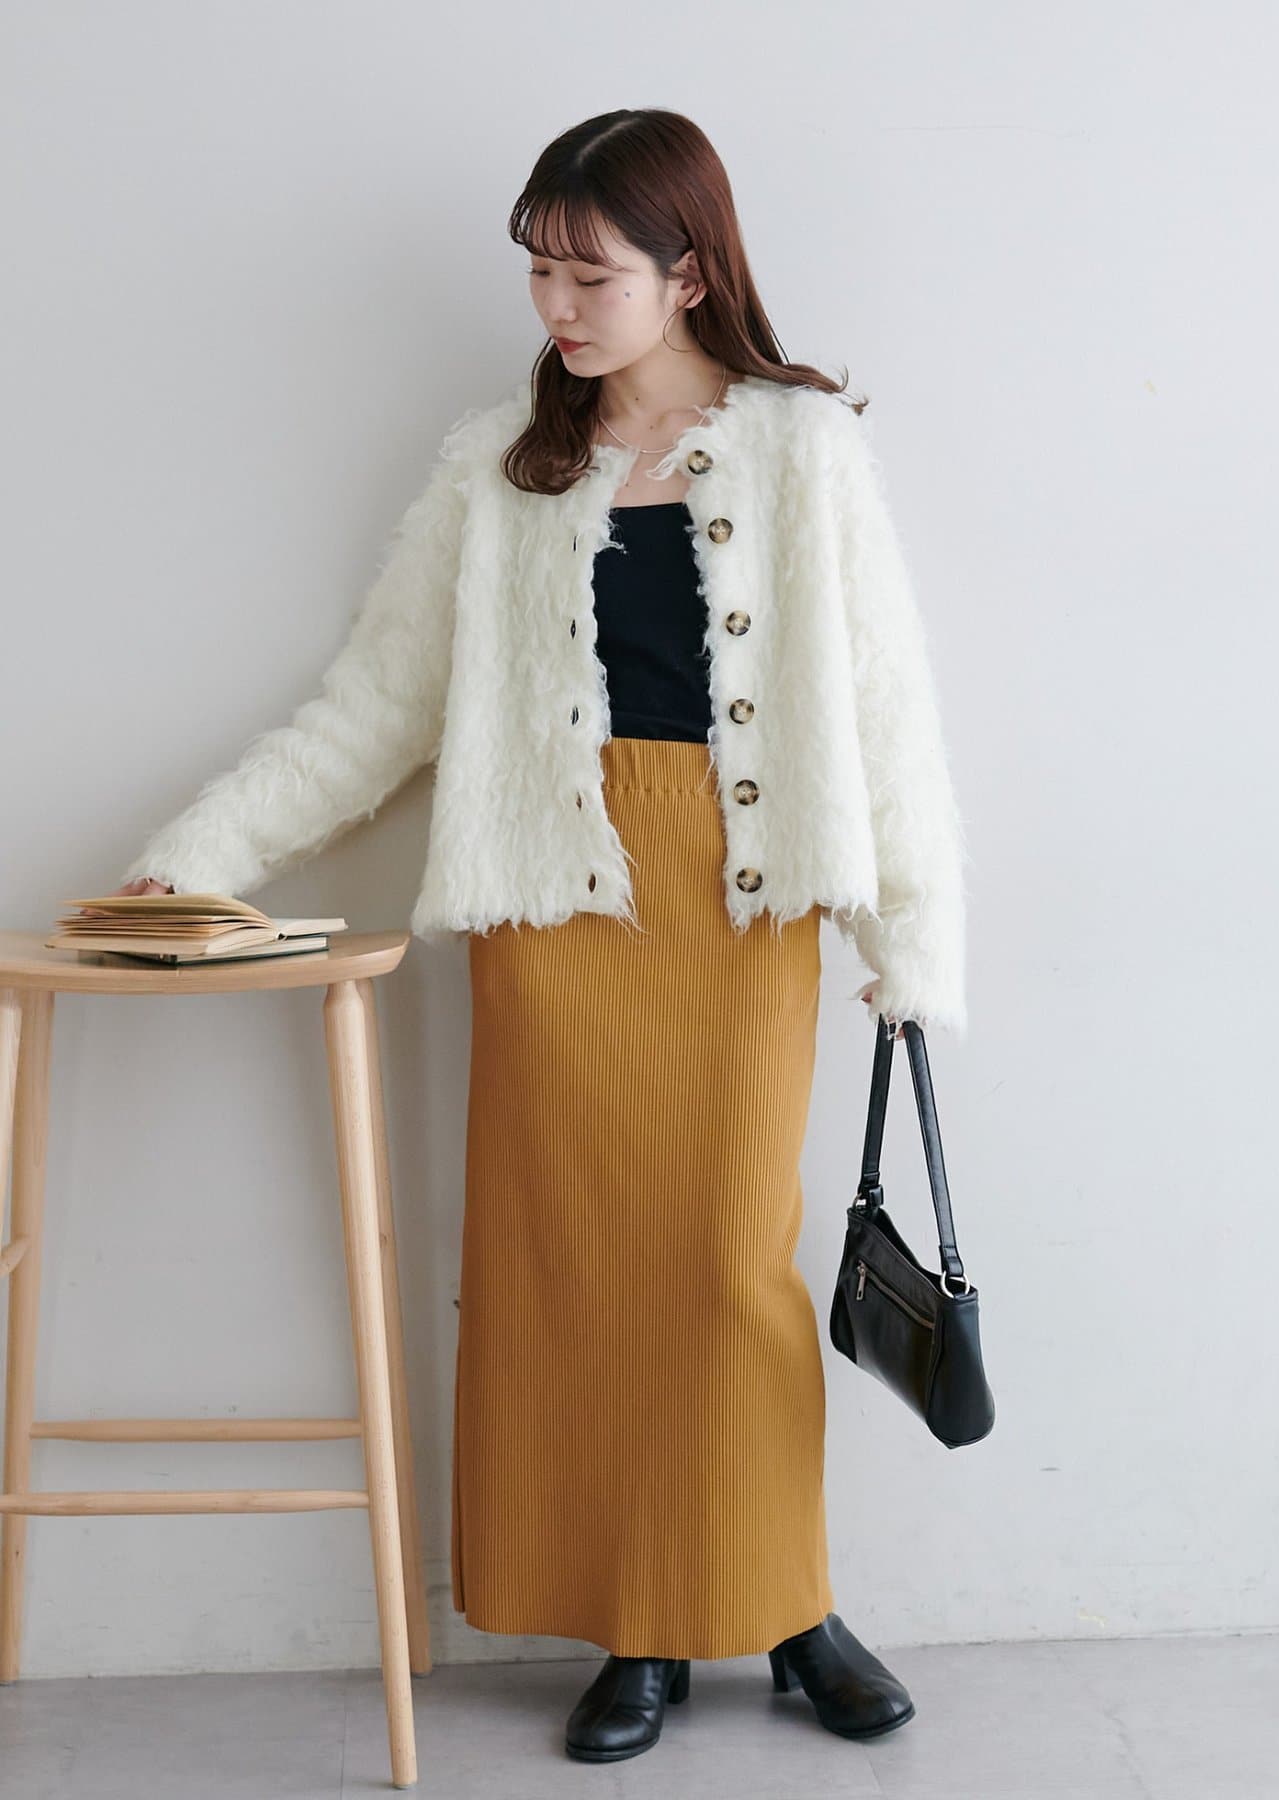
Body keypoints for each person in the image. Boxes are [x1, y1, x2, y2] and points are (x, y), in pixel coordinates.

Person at [112, 108, 967, 1763]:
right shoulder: (501, 463)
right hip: (555, 911)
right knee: (570, 1273)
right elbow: (377, 707)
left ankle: (788, 1607)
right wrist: (198, 858)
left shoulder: (804, 450)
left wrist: (915, 941)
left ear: (689, 273)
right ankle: (636, 1631)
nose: (555, 304)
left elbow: (887, 710)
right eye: (538, 270)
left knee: (726, 1270)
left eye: (591, 274)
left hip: (734, 903)